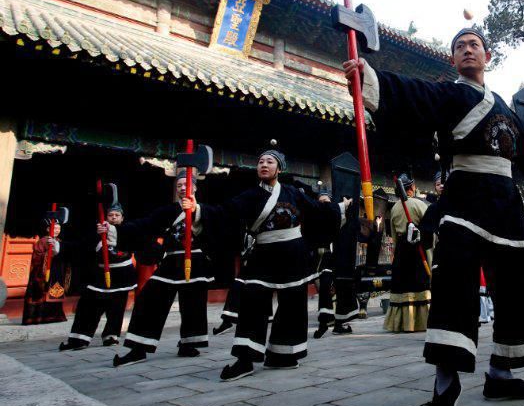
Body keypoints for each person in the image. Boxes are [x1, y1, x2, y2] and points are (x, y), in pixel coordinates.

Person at [344, 27, 524, 406]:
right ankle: (445, 380)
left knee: (515, 288)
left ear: (487, 57)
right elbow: (415, 96)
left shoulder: (505, 108)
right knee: (455, 284)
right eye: (459, 46)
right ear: (453, 60)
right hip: (465, 197)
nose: (467, 50)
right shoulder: (450, 95)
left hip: (507, 204)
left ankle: (504, 374)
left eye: (474, 45)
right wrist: (370, 76)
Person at [218, 148, 349, 381]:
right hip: (263, 255)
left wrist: (338, 207)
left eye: (270, 162)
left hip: (293, 255)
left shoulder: (292, 192)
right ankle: (245, 359)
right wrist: (196, 210)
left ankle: (282, 354)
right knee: (253, 302)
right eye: (260, 162)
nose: (264, 165)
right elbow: (224, 213)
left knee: (293, 303)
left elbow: (316, 210)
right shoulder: (249, 196)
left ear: (279, 169)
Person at [99, 171, 224, 367]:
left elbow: (219, 226)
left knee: (193, 304)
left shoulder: (207, 210)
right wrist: (114, 230)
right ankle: (138, 348)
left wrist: (196, 210)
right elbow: (144, 226)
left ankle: (189, 343)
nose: (183, 188)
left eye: (186, 185)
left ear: (195, 188)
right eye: (179, 185)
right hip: (172, 262)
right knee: (150, 298)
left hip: (196, 261)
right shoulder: (168, 211)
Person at [59, 204, 137, 350]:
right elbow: (82, 246)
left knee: (117, 307)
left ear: (122, 218)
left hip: (122, 275)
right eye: (110, 215)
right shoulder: (97, 231)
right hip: (99, 275)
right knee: (89, 305)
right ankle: (79, 338)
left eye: (117, 215)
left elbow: (135, 241)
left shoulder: (128, 230)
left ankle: (111, 336)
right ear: (105, 217)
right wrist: (96, 234)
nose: (113, 218)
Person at [384, 173, 431, 333]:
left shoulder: (394, 208)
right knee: (420, 284)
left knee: (403, 287)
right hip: (418, 249)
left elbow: (393, 235)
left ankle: (402, 323)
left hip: (402, 250)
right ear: (412, 188)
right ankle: (421, 322)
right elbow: (430, 228)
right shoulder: (420, 205)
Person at [313, 185, 360, 338]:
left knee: (341, 288)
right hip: (320, 257)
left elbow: (343, 222)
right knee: (325, 289)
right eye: (321, 201)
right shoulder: (316, 214)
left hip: (336, 257)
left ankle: (339, 324)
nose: (324, 204)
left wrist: (346, 208)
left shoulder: (336, 214)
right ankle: (323, 323)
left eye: (326, 201)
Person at [22, 216, 70, 325]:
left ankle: (54, 317)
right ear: (48, 229)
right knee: (41, 294)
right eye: (55, 228)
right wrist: (48, 255)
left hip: (56, 271)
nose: (57, 230)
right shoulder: (43, 241)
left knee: (55, 292)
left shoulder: (59, 241)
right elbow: (37, 257)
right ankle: (38, 318)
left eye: (59, 228)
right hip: (42, 273)